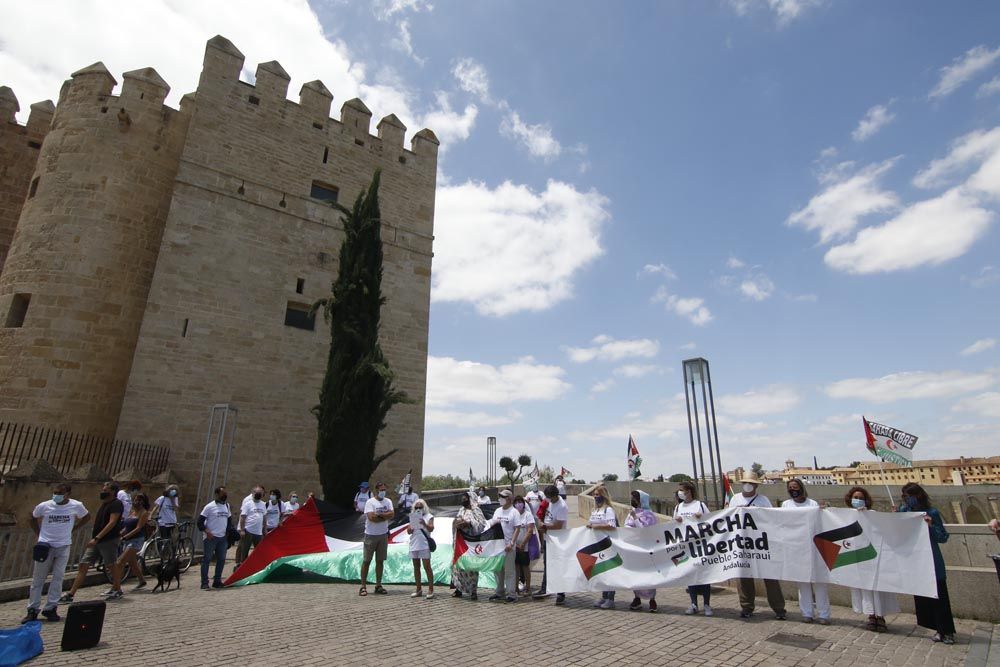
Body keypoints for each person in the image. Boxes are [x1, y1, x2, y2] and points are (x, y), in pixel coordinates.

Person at [21, 484, 90, 624]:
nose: (56, 495)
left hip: (63, 545)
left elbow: (87, 516)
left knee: (58, 578)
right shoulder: (45, 506)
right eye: (55, 492)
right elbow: (32, 517)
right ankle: (32, 609)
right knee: (38, 579)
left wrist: (74, 528)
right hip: (45, 546)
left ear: (68, 494)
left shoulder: (76, 505)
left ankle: (51, 607)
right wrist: (39, 533)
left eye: (60, 493)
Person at [899, 482, 956, 645]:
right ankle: (937, 628)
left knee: (940, 597)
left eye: (908, 496)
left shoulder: (932, 512)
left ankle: (947, 631)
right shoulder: (904, 511)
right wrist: (895, 517)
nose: (906, 500)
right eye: (904, 497)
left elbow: (942, 537)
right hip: (916, 562)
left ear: (918, 496)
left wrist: (930, 525)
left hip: (932, 560)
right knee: (924, 598)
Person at [728, 471, 786, 620]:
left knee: (770, 577)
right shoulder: (735, 499)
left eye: (751, 483)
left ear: (755, 485)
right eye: (746, 483)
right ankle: (746, 607)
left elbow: (771, 518)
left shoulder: (763, 500)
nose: (748, 486)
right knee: (744, 578)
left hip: (761, 543)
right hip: (743, 543)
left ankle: (779, 608)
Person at [845, 486, 899, 632]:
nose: (858, 500)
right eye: (855, 498)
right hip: (858, 557)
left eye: (860, 498)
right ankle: (871, 616)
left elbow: (885, 528)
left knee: (876, 587)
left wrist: (894, 516)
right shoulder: (847, 515)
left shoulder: (873, 514)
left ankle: (880, 616)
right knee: (864, 588)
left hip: (873, 556)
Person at [60, 482, 124, 603]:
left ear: (113, 491)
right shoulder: (104, 504)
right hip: (97, 540)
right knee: (84, 564)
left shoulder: (116, 504)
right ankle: (71, 593)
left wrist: (97, 538)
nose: (103, 491)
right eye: (103, 488)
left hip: (108, 539)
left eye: (106, 489)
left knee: (111, 564)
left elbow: (112, 522)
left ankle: (117, 588)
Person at [780, 479, 829, 624]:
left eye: (795, 487)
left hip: (815, 548)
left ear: (801, 488)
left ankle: (824, 614)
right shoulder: (786, 505)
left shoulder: (812, 504)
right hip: (796, 548)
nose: (793, 489)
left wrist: (824, 509)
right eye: (790, 487)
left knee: (820, 582)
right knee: (802, 583)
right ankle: (807, 612)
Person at [674, 481, 712, 615]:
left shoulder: (700, 505)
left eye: (682, 490)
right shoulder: (678, 507)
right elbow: (673, 526)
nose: (680, 493)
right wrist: (677, 520)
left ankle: (707, 605)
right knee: (690, 576)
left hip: (700, 545)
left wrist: (701, 517)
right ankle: (693, 603)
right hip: (686, 545)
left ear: (689, 491)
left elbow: (711, 520)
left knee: (704, 576)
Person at [481, 489, 518, 602]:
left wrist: (511, 543)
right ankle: (499, 591)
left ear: (509, 499)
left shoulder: (514, 512)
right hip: (497, 547)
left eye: (503, 497)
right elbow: (491, 523)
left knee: (509, 571)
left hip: (508, 547)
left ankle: (511, 594)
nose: (501, 498)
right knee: (498, 570)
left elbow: (517, 528)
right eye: (500, 496)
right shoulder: (497, 510)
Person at [534, 484, 568, 605]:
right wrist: (541, 523)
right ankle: (545, 588)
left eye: (550, 497)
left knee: (558, 565)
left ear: (555, 495)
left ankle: (561, 593)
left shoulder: (562, 506)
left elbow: (558, 525)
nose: (548, 499)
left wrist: (544, 526)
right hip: (548, 538)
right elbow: (541, 515)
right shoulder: (549, 502)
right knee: (547, 564)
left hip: (558, 539)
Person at [111, 491, 150, 595]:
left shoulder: (144, 513)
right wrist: (120, 534)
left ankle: (115, 587)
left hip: (136, 540)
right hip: (127, 540)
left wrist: (125, 536)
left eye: (139, 500)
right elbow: (127, 526)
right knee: (132, 563)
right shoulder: (132, 512)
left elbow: (138, 528)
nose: (136, 501)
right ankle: (142, 581)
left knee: (120, 562)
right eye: (135, 499)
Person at [625, 489, 659, 612]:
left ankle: (652, 600)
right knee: (636, 574)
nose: (632, 500)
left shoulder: (649, 515)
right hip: (634, 549)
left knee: (649, 575)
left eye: (634, 498)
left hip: (646, 549)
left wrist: (635, 519)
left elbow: (646, 531)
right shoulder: (631, 512)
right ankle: (637, 598)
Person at [360, 481, 394, 596]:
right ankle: (363, 586)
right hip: (370, 535)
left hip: (383, 535)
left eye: (384, 490)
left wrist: (379, 515)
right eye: (381, 490)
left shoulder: (388, 501)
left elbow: (392, 514)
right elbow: (371, 518)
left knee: (380, 561)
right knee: (366, 561)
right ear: (376, 490)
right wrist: (385, 515)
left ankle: (378, 585)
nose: (383, 492)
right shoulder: (370, 502)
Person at [587, 485, 619, 609]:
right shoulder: (595, 510)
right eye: (594, 494)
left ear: (603, 495)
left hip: (608, 544)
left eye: (597, 494)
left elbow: (612, 526)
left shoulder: (608, 510)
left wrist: (597, 527)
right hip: (597, 545)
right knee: (602, 572)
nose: (595, 497)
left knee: (609, 572)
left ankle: (611, 598)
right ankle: (604, 596)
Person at [452, 492, 486, 600]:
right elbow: (455, 521)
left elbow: (481, 524)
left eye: (465, 498)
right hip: (460, 542)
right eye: (462, 498)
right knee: (459, 566)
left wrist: (469, 523)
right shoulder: (461, 510)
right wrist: (457, 523)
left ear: (471, 499)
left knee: (471, 567)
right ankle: (458, 589)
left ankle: (473, 591)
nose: (463, 500)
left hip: (471, 542)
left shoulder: (476, 510)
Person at [199, 486, 232, 590]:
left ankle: (217, 581)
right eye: (223, 494)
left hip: (222, 538)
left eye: (225, 493)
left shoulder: (227, 506)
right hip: (211, 538)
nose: (225, 495)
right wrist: (207, 531)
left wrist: (227, 533)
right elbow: (200, 522)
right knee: (207, 560)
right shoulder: (209, 507)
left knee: (221, 560)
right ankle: (204, 582)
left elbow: (229, 520)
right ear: (217, 494)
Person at [407, 499, 435, 599]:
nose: (418, 509)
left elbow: (431, 528)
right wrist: (411, 528)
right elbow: (408, 531)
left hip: (424, 544)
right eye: (416, 507)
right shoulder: (413, 516)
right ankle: (418, 589)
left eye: (420, 507)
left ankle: (431, 589)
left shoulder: (429, 516)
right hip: (414, 543)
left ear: (424, 507)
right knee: (416, 567)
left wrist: (424, 523)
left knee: (427, 566)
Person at [512, 494, 536, 596]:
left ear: (523, 503)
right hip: (514, 546)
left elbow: (530, 530)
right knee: (516, 567)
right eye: (516, 502)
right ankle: (516, 588)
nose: (518, 504)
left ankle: (528, 588)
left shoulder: (527, 515)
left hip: (524, 546)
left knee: (525, 567)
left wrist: (522, 544)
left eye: (520, 502)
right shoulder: (513, 514)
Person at [236, 486, 265, 567]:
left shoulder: (263, 504)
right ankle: (240, 566)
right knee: (243, 550)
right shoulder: (248, 502)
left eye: (261, 492)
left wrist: (264, 529)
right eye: (258, 492)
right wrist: (242, 530)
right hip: (248, 531)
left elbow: (264, 517)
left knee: (258, 552)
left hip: (258, 532)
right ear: (253, 493)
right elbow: (242, 517)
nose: (260, 494)